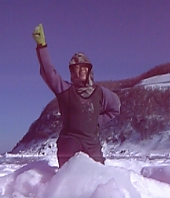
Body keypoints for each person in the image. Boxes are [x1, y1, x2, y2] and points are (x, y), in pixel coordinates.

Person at [32, 23, 120, 167]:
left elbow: (115, 108)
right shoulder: (65, 90)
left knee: (99, 178)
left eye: (82, 69)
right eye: (75, 70)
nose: (78, 73)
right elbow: (49, 73)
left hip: (92, 144)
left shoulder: (101, 93)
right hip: (69, 143)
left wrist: (96, 120)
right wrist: (42, 47)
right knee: (70, 179)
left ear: (89, 72)